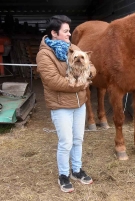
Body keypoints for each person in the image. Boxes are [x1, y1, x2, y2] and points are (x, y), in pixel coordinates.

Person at [36, 15, 96, 193]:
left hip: (79, 104)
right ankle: (63, 174)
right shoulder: (44, 54)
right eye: (66, 31)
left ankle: (76, 170)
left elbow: (91, 66)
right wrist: (81, 85)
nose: (69, 34)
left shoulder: (73, 48)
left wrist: (89, 73)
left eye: (69, 31)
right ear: (54, 33)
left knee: (78, 139)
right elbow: (53, 81)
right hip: (61, 105)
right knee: (66, 142)